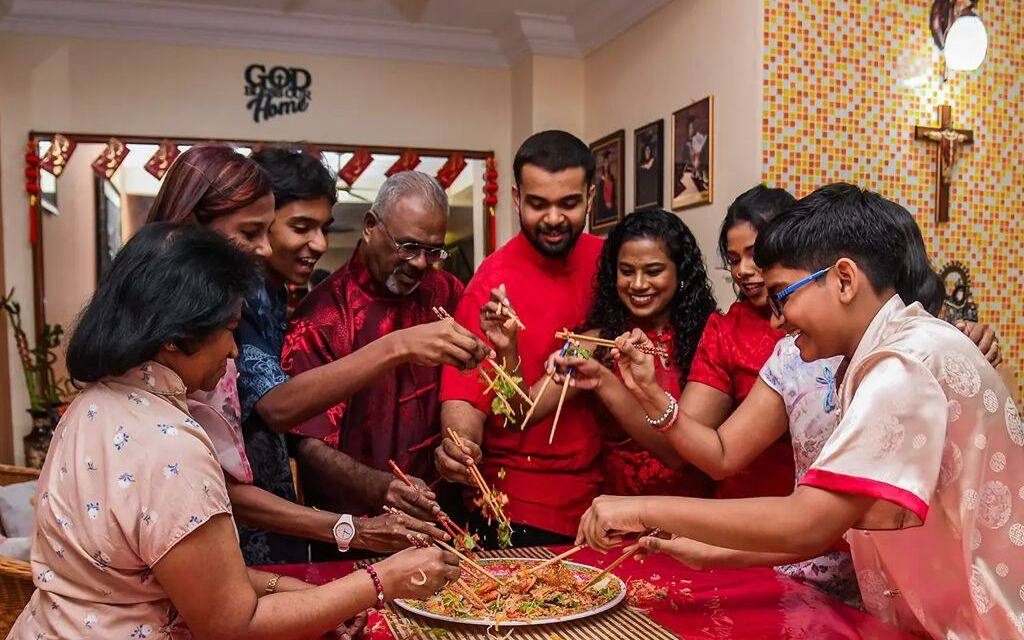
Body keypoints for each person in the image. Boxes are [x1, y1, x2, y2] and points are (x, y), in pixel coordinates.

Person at [575, 184, 1024, 639]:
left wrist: (639, 509)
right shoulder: (885, 354)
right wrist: (715, 553)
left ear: (844, 280)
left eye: (782, 295)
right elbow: (841, 524)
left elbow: (809, 521)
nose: (776, 320)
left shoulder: (904, 365)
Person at [8, 223, 461, 640]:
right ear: (173, 336)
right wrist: (383, 580)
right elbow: (232, 624)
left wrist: (296, 589)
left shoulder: (90, 405)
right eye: (227, 330)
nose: (232, 351)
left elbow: (174, 575)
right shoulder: (171, 448)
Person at [150, 146, 447, 566]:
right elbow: (275, 409)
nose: (319, 244)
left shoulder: (266, 292)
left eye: (323, 227)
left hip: (269, 524)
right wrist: (397, 346)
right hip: (215, 532)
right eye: (298, 227)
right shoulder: (218, 306)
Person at [276, 170, 491, 545]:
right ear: (371, 227)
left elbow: (471, 384)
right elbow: (306, 443)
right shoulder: (323, 316)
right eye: (408, 247)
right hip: (355, 532)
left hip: (443, 526)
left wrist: (458, 443)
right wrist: (381, 488)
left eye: (433, 251)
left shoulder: (446, 293)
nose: (422, 264)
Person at [435, 130, 605, 548]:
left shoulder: (614, 265)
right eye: (537, 204)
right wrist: (459, 448)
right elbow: (463, 401)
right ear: (516, 198)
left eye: (568, 203)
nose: (552, 218)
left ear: (591, 196)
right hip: (520, 508)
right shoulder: (490, 285)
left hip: (611, 501)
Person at [513, 209, 718, 499]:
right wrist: (507, 342)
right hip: (618, 518)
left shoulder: (709, 340)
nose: (637, 284)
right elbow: (524, 413)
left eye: (653, 271)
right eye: (626, 271)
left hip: (694, 521)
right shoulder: (596, 341)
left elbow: (677, 455)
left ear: (681, 272)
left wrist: (604, 382)